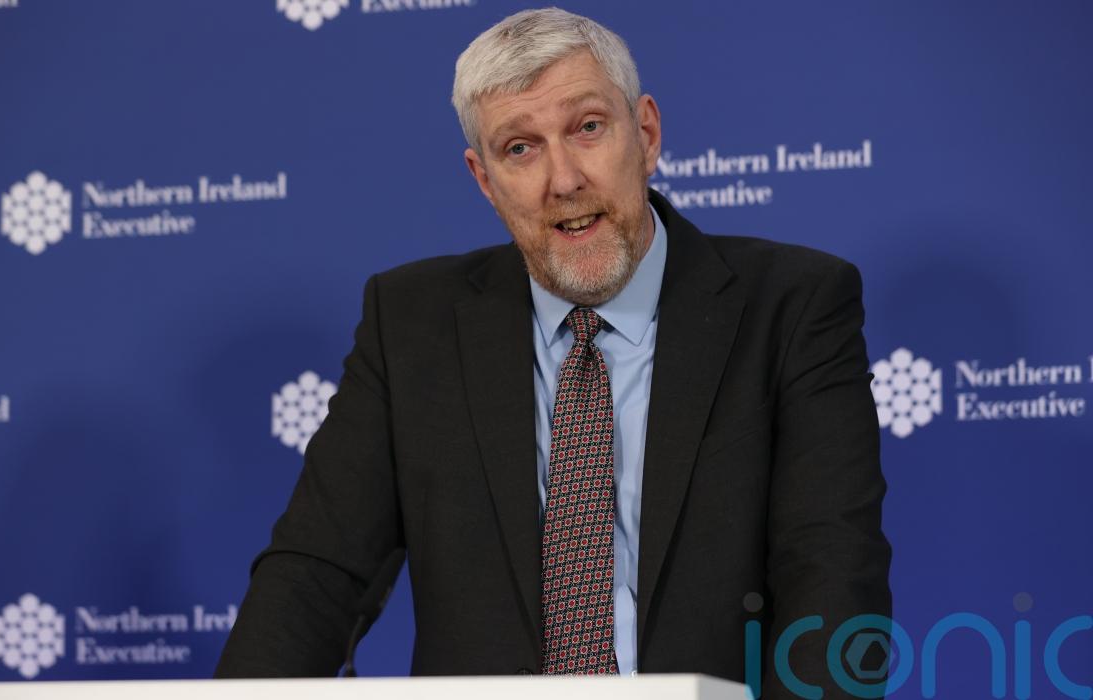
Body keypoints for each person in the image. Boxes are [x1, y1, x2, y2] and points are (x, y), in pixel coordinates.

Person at [217, 7, 891, 694]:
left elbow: (833, 576)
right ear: (485, 180)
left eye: (588, 127)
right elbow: (315, 573)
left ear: (646, 134)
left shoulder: (793, 307)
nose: (564, 179)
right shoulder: (411, 323)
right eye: (520, 148)